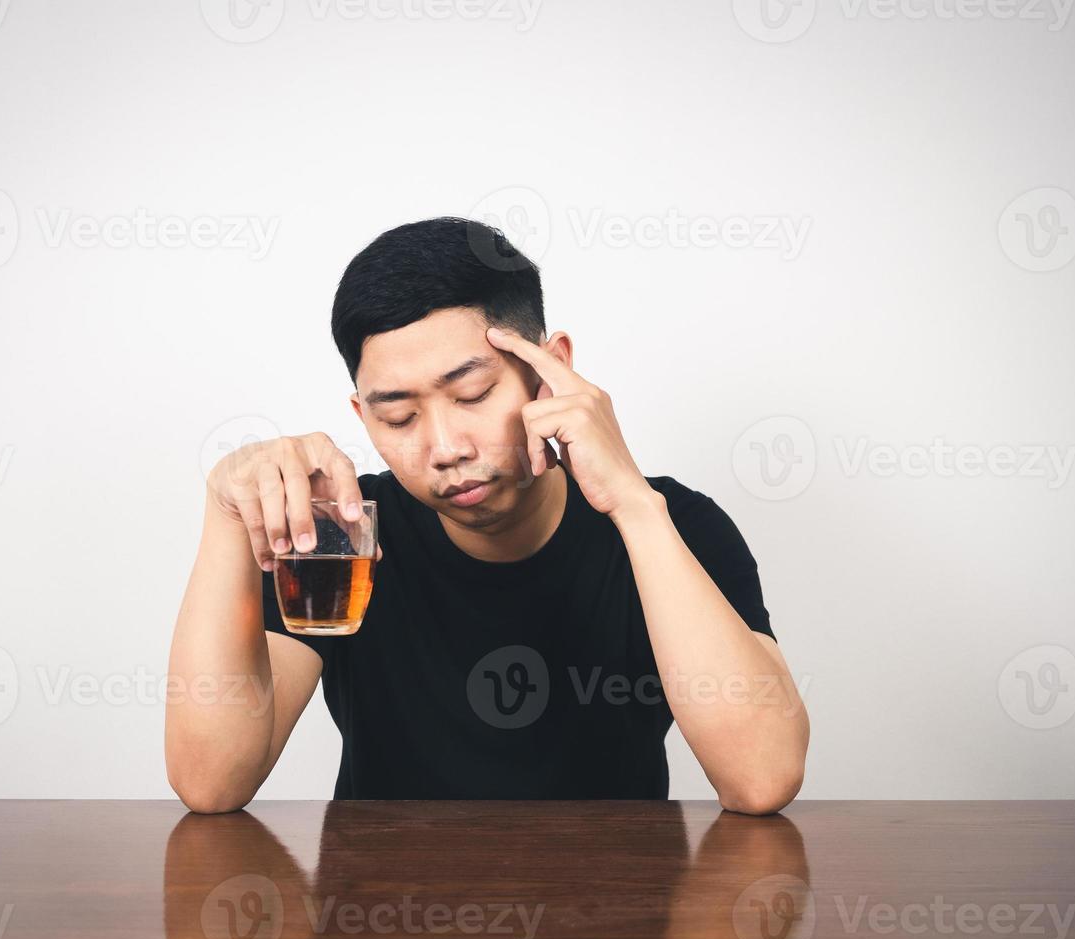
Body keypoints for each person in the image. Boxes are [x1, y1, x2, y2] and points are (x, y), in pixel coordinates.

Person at [166, 217, 809, 812]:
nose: (446, 449)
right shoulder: (345, 532)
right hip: (378, 925)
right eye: (400, 417)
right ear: (364, 418)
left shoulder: (675, 525)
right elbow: (211, 782)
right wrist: (226, 511)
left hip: (620, 920)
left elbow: (762, 777)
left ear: (550, 370)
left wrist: (634, 506)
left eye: (472, 394)